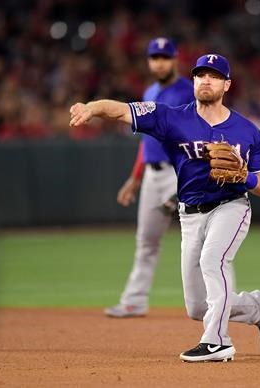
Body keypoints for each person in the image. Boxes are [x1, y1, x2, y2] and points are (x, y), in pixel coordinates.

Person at [69, 53, 260, 363]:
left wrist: (243, 175)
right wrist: (91, 108)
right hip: (190, 214)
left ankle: (217, 341)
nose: (205, 80)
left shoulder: (246, 130)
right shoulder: (171, 117)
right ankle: (259, 307)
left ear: (227, 84)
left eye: (214, 75)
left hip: (231, 206)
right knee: (196, 307)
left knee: (213, 261)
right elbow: (122, 110)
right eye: (200, 75)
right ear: (193, 81)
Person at [105, 37, 194, 318]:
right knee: (146, 241)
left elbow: (196, 136)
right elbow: (146, 141)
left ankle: (215, 302)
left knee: (199, 242)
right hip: (152, 176)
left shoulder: (188, 92)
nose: (159, 63)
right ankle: (134, 301)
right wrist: (135, 179)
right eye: (154, 57)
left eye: (164, 57)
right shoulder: (150, 91)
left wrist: (186, 180)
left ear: (175, 59)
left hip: (179, 172)